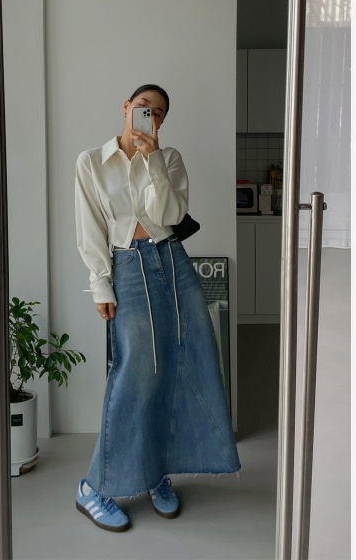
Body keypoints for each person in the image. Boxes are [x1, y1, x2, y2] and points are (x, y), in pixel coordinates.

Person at [74, 84, 240, 532]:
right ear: (126, 107)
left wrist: (153, 162)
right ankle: (94, 487)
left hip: (172, 262)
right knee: (136, 373)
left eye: (159, 113)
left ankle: (156, 471)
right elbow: (90, 227)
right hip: (127, 267)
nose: (150, 116)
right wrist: (100, 285)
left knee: (189, 360)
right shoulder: (91, 162)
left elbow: (167, 215)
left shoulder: (169, 159)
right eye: (143, 107)